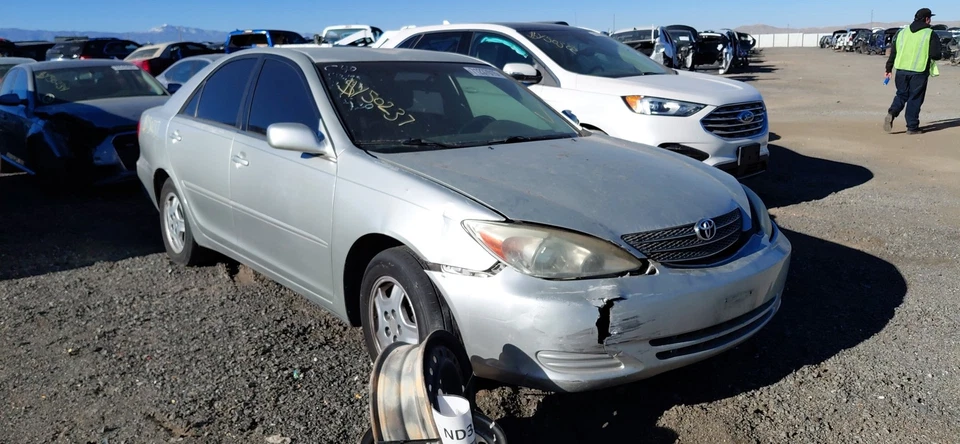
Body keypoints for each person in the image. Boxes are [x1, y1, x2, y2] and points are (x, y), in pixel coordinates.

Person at [883, 8, 942, 135]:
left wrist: (888, 68)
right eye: (930, 18)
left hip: (901, 70)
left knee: (901, 94)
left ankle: (892, 113)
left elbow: (893, 52)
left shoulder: (902, 32)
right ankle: (912, 127)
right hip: (919, 71)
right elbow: (936, 55)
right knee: (915, 98)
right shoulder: (929, 33)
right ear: (927, 19)